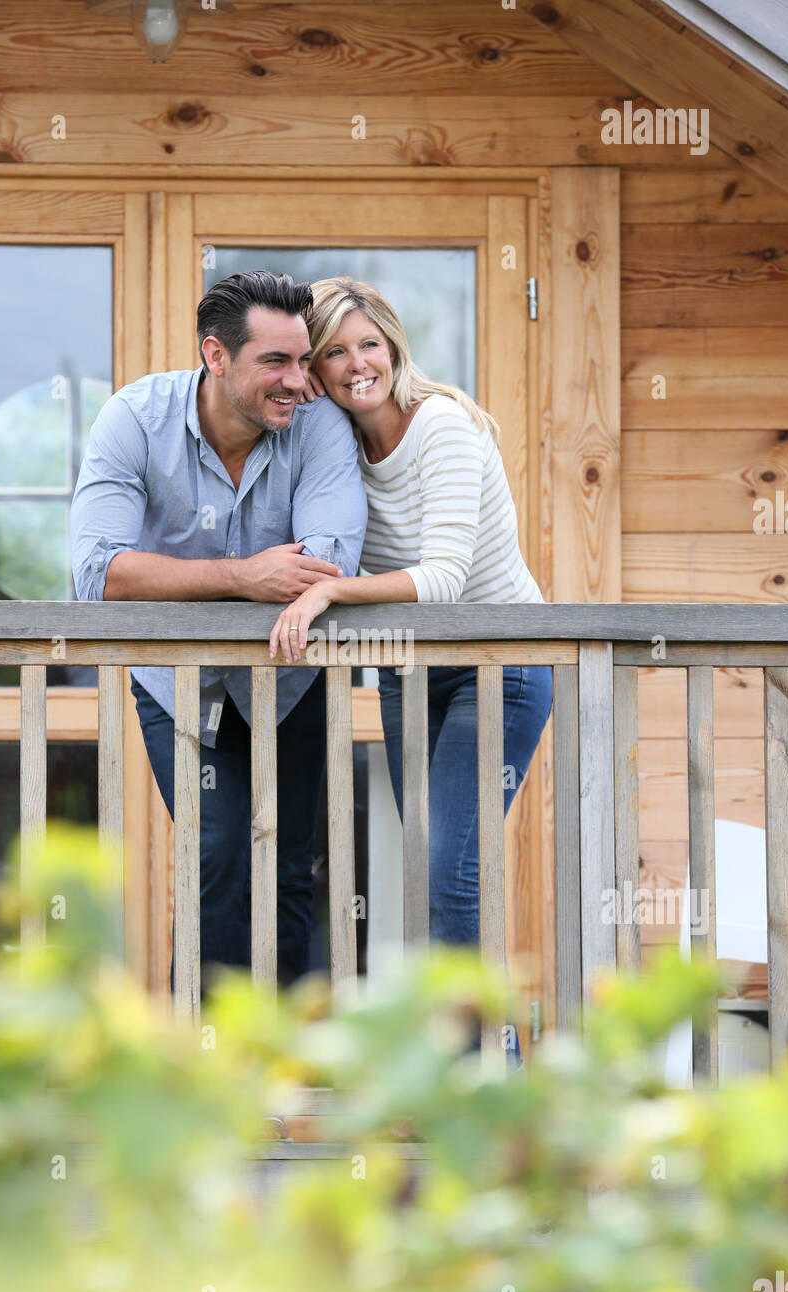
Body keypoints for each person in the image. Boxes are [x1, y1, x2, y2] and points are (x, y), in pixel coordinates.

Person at [269, 276, 552, 1062]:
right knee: (428, 874)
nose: (358, 363)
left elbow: (445, 579)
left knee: (450, 876)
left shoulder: (444, 428)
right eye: (336, 352)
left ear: (393, 346)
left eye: (369, 344)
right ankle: (453, 1074)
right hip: (408, 674)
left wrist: (328, 587)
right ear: (317, 372)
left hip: (501, 667)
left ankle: (491, 1083)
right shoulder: (337, 450)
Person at [71, 271, 367, 988]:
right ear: (215, 355)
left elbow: (327, 564)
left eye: (304, 361)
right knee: (218, 852)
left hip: (293, 678)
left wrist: (185, 576)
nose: (300, 381)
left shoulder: (319, 424)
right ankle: (204, 1068)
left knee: (294, 866)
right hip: (179, 686)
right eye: (276, 362)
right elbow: (97, 575)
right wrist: (242, 576)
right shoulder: (135, 419)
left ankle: (289, 1071)